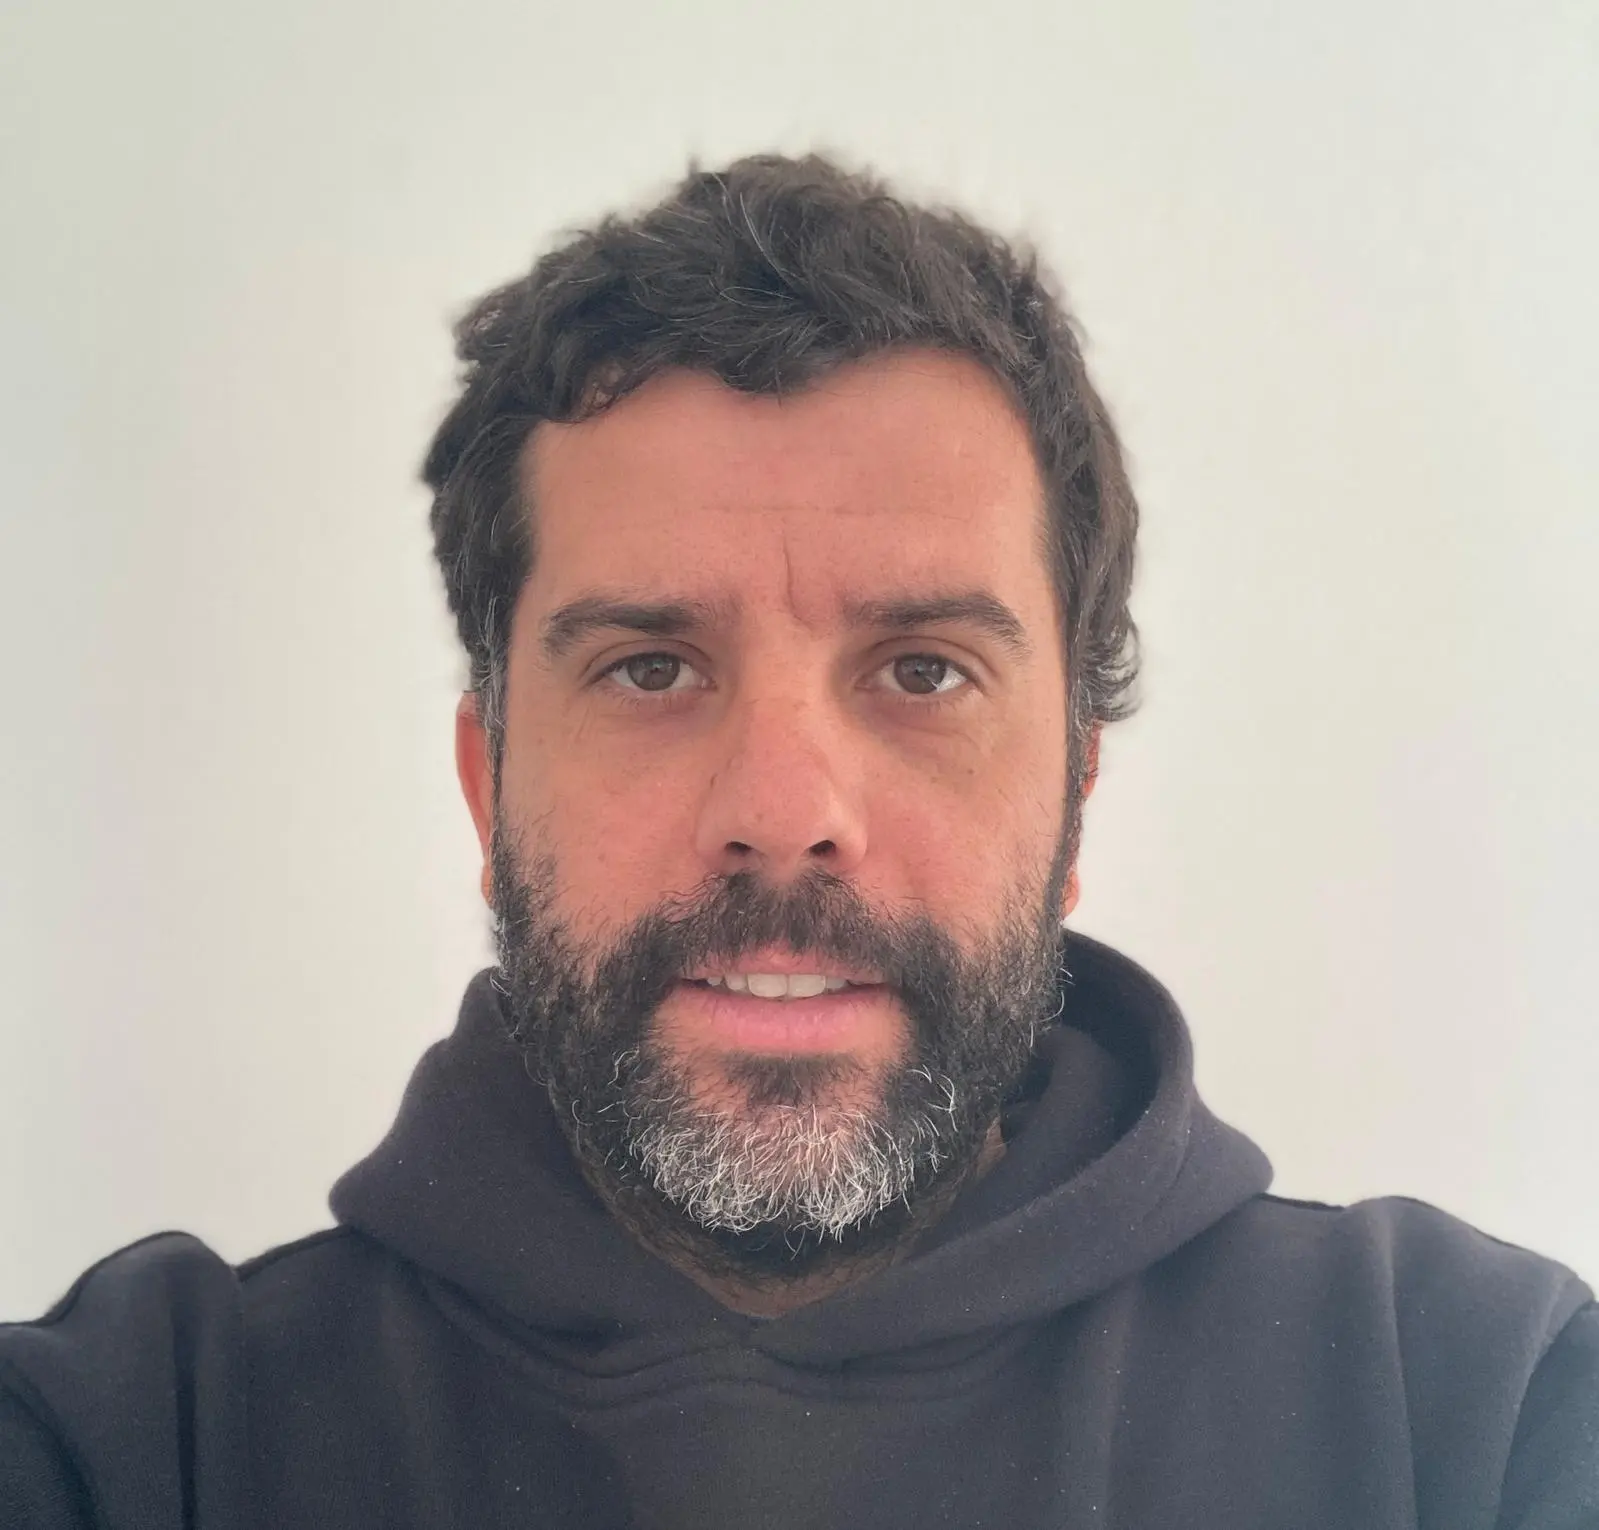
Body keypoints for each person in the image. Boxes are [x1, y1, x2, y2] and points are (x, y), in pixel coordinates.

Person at [1, 153, 1593, 1529]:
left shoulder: (1470, 1404)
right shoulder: (136, 1441)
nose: (781, 809)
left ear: (1073, 791)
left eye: (922, 672)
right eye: (650, 668)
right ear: (489, 787)